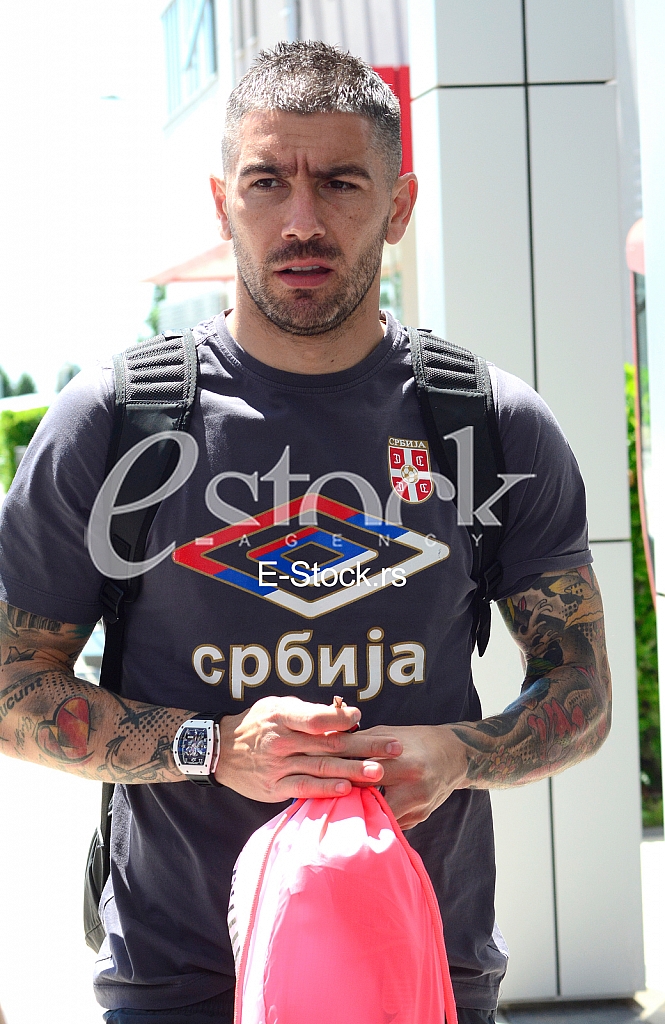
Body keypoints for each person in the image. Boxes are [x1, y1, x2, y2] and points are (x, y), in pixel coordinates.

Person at [0, 41, 610, 1024]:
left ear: (397, 205)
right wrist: (211, 744)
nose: (300, 220)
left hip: (420, 969)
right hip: (180, 980)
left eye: (338, 183)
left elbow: (580, 694)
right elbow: (11, 686)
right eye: (265, 181)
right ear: (220, 201)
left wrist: (458, 752)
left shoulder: (488, 424)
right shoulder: (116, 424)